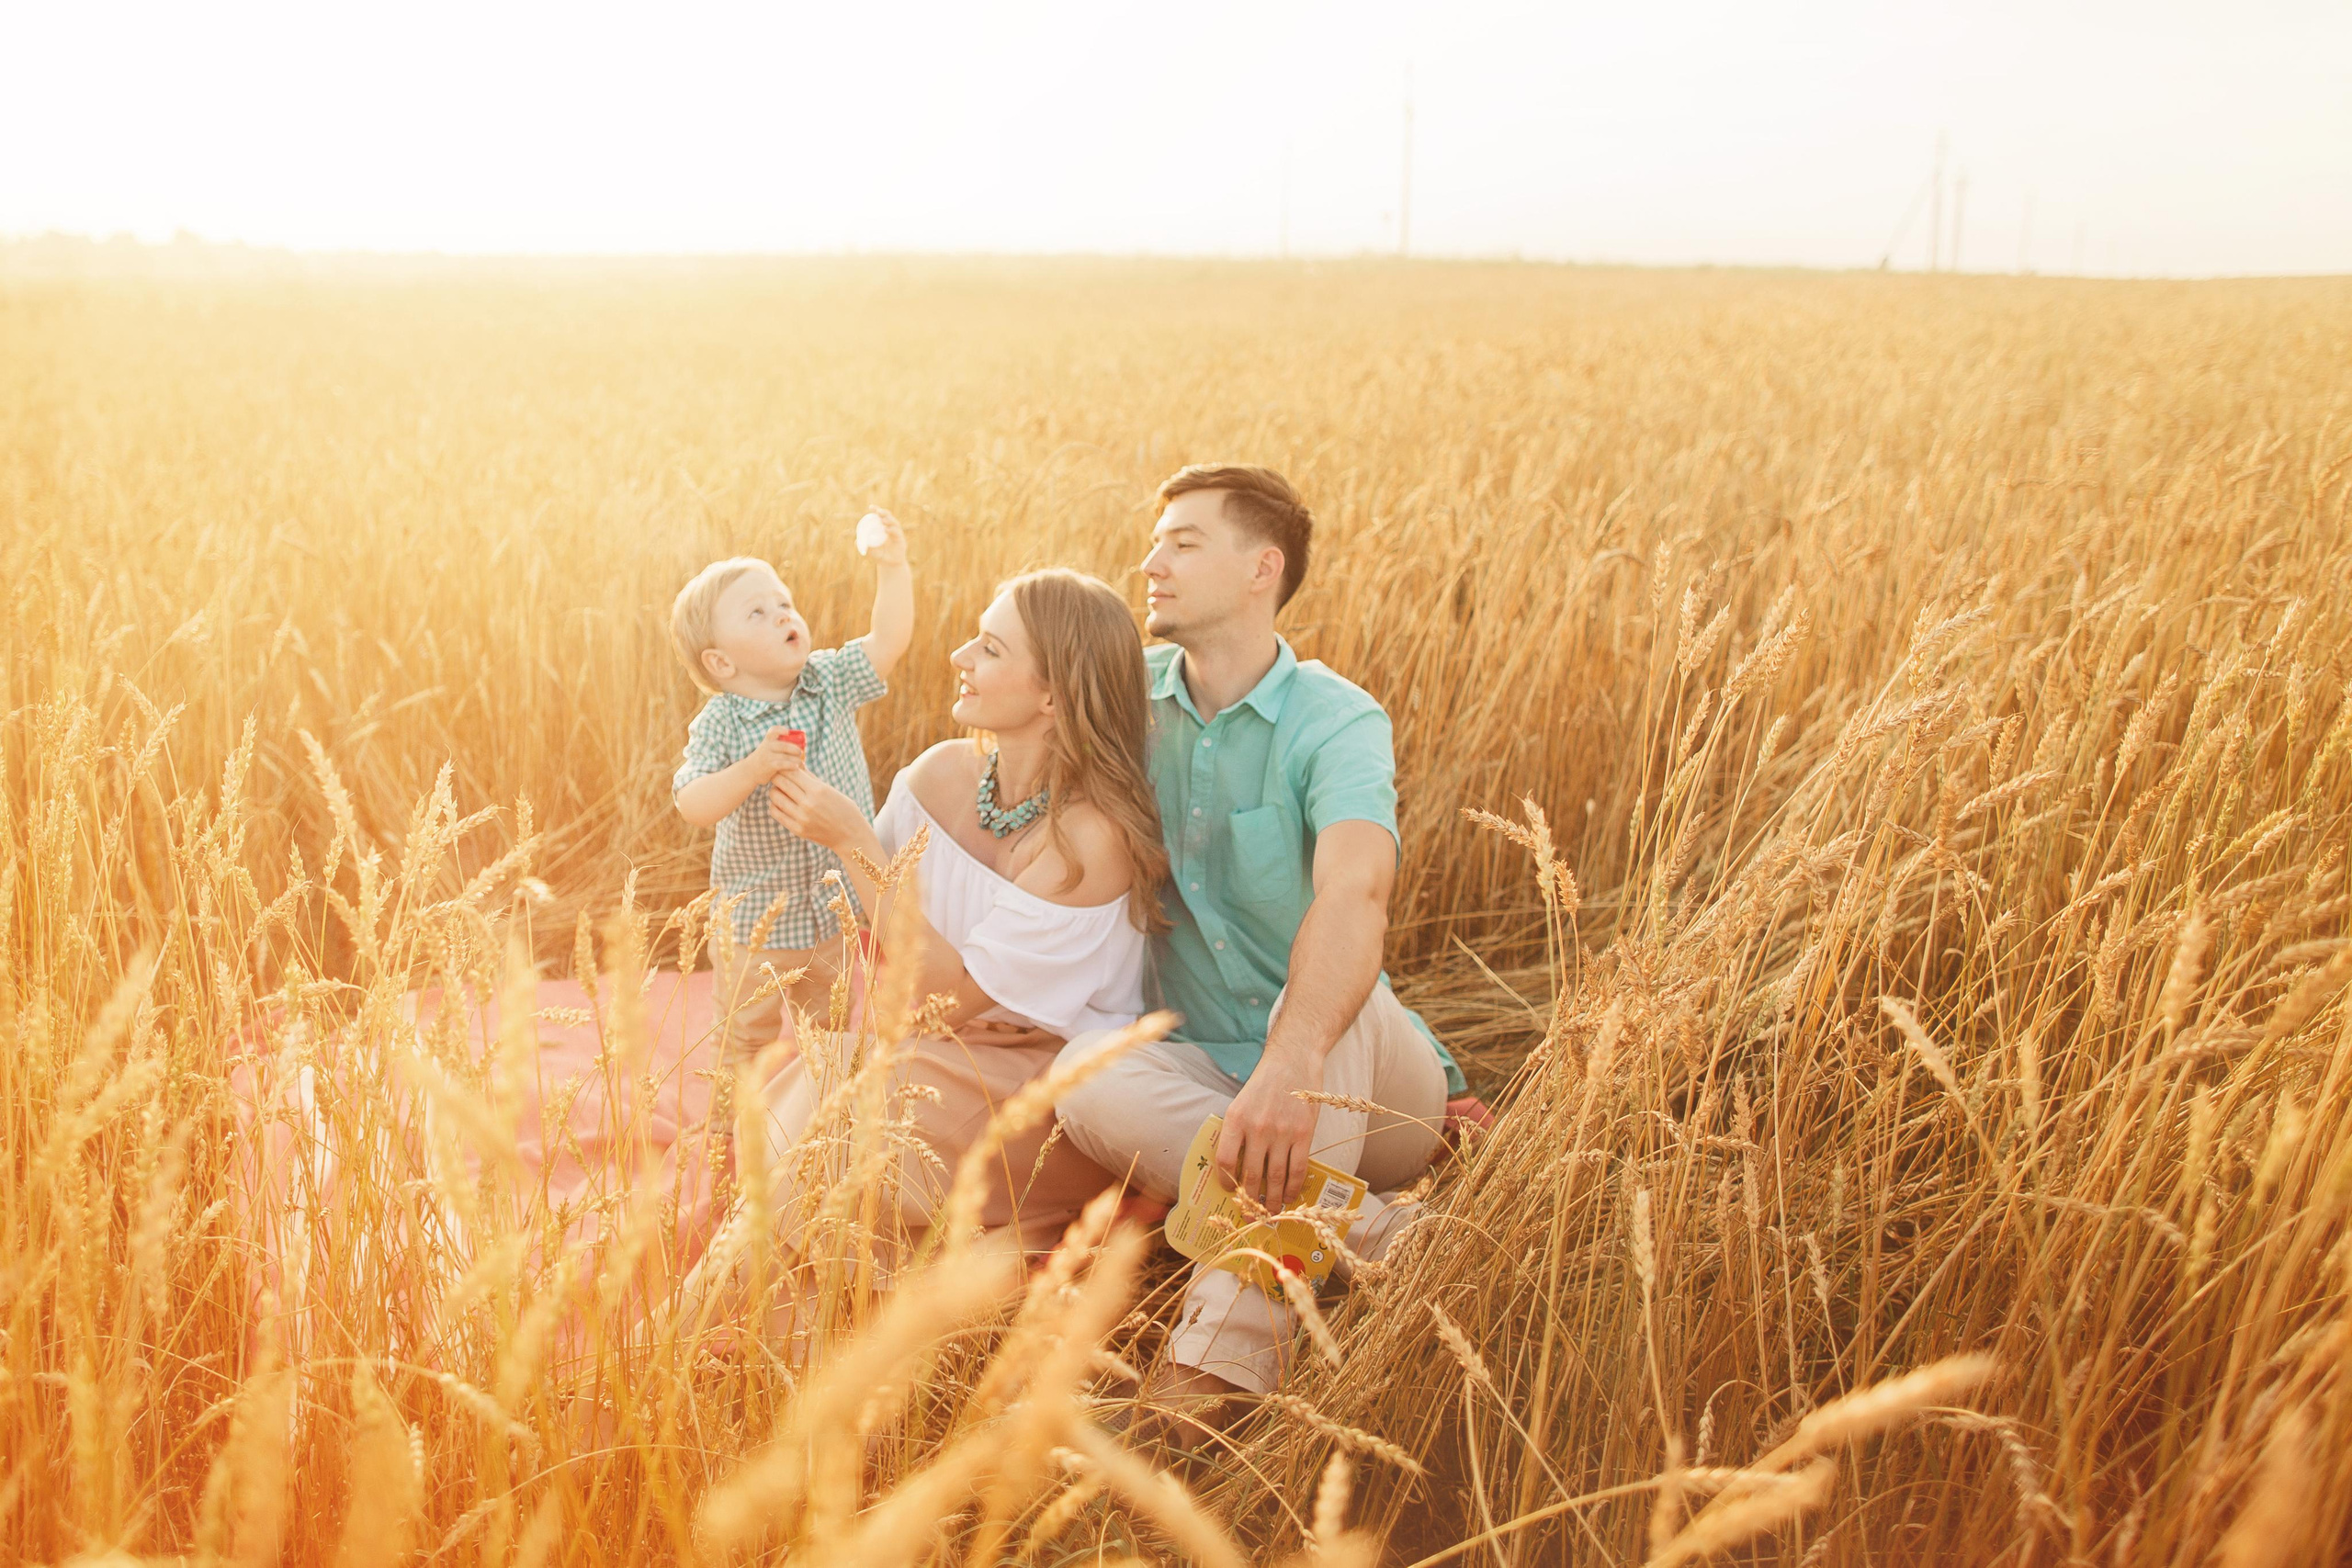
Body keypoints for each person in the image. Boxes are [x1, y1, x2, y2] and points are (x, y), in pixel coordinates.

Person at [1053, 464, 1468, 1409]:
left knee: (1327, 985)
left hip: (1359, 1080)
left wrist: (1294, 1058)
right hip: (1207, 1077)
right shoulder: (1124, 701)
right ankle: (1385, 1240)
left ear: (1260, 569)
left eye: (1182, 542)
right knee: (1081, 1068)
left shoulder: (1336, 719)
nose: (1149, 562)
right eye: (1154, 541)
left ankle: (1212, 1373)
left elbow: (1357, 893)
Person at [749, 567, 1171, 1265]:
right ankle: (741, 1329)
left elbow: (942, 996)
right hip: (934, 1051)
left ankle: (745, 1322)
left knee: (853, 1131)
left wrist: (854, 840)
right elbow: (856, 905)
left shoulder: (1088, 841)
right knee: (803, 1106)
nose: (959, 658)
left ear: (1053, 695)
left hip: (1045, 1090)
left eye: (991, 648)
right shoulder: (939, 774)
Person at [669, 513, 912, 1060]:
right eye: (758, 612)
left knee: (827, 1030)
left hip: (832, 912)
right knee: (743, 1035)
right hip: (756, 925)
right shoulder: (722, 722)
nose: (783, 613)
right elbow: (692, 802)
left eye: (783, 602)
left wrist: (893, 569)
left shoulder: (828, 680)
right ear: (721, 661)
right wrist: (750, 770)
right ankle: (728, 1129)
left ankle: (816, 1115)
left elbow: (889, 639)